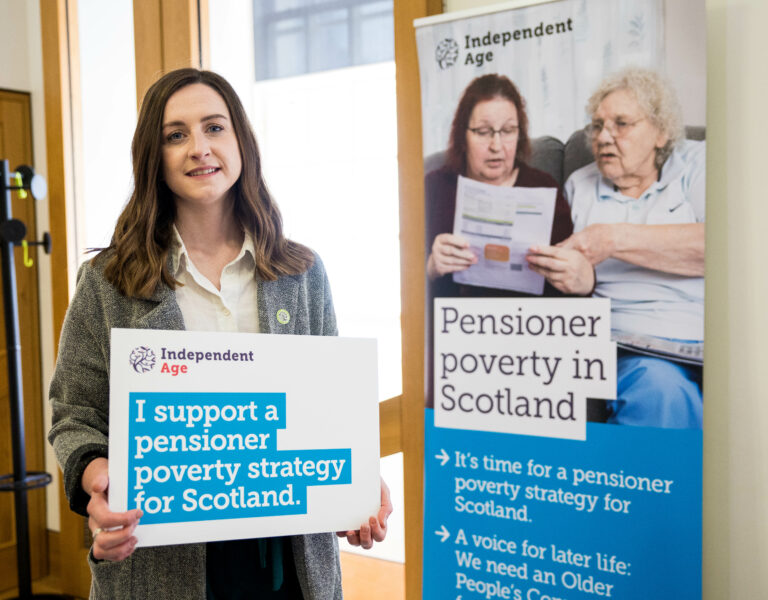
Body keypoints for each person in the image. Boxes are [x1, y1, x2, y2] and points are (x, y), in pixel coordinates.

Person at [48, 68, 391, 599]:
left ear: (241, 142)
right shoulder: (107, 280)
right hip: (164, 561)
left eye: (214, 127)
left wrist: (356, 481)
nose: (199, 148)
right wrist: (96, 473)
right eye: (176, 135)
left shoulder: (301, 272)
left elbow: (331, 409)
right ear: (153, 157)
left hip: (288, 559)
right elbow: (75, 413)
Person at [528, 67, 705, 429]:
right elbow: (571, 268)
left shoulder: (697, 165)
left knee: (666, 388)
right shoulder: (581, 183)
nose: (604, 137)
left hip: (693, 334)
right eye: (597, 126)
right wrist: (579, 277)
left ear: (661, 131)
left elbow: (725, 247)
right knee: (659, 387)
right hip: (619, 343)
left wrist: (611, 239)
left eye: (621, 124)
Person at [425, 73, 593, 407]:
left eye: (508, 131)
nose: (496, 145)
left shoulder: (543, 187)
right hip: (458, 343)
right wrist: (429, 266)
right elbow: (403, 289)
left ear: (520, 133)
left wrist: (580, 276)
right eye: (483, 132)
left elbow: (573, 291)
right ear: (463, 135)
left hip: (528, 346)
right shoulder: (435, 187)